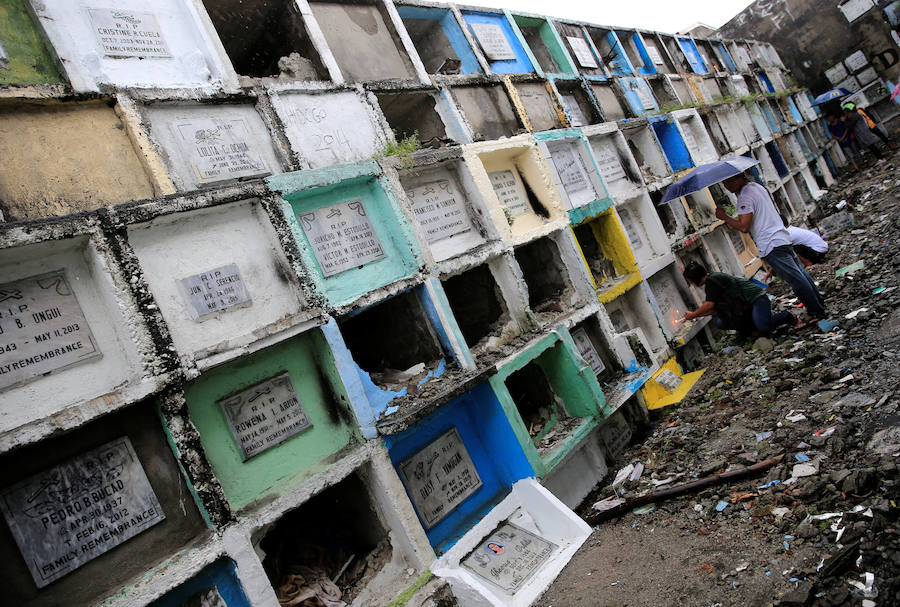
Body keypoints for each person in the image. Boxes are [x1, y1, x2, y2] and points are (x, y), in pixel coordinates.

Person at [715, 173, 827, 322]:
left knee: (796, 280)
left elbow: (744, 227)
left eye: (729, 181)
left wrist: (725, 217)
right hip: (782, 237)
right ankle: (819, 306)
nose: (726, 186)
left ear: (740, 178)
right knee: (800, 274)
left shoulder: (745, 197)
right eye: (724, 182)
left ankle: (816, 312)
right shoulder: (757, 187)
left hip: (770, 243)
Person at [681, 262, 794, 335]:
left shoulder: (712, 281)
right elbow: (714, 310)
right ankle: (752, 330)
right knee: (720, 322)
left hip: (755, 299)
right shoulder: (712, 282)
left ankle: (787, 316)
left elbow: (709, 305)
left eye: (690, 280)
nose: (691, 283)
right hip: (742, 306)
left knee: (764, 327)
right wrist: (694, 316)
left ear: (695, 278)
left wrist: (693, 314)